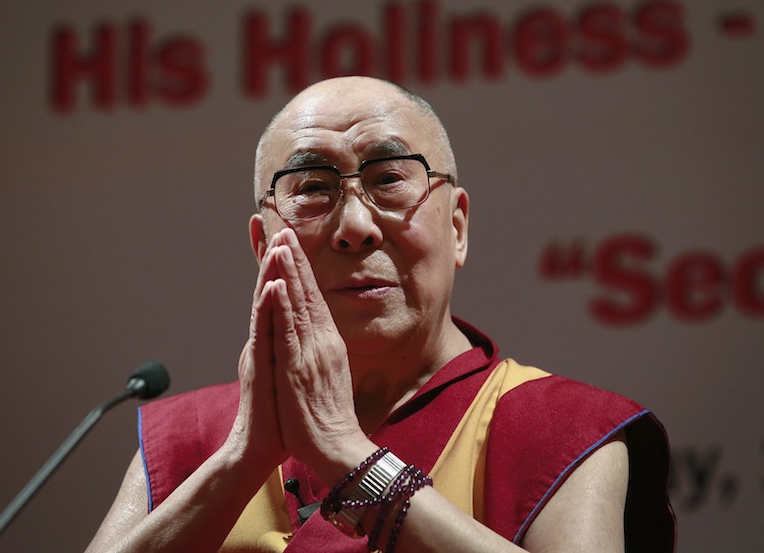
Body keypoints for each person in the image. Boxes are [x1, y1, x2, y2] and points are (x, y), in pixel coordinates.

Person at [85, 76, 675, 552]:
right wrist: (241, 459)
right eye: (312, 187)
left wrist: (354, 460)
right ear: (264, 247)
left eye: (389, 179)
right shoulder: (194, 439)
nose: (355, 228)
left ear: (457, 226)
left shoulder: (562, 429)